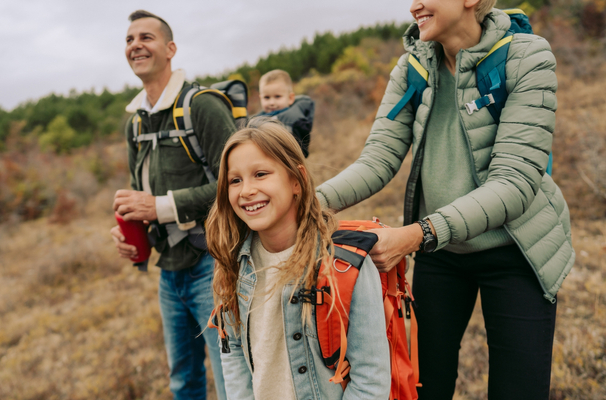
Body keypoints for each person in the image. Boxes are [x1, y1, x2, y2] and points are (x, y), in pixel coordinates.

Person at [315, 1, 575, 399]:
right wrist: (306, 206)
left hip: (517, 250)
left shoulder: (528, 55)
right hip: (442, 252)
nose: (413, 5)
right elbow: (378, 159)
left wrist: (417, 234)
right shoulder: (412, 68)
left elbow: (514, 181)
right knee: (422, 386)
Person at [205, 119, 391, 400]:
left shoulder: (344, 263)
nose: (246, 191)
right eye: (235, 180)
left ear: (297, 180)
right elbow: (234, 360)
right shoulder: (232, 263)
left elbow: (370, 380)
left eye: (260, 174)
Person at [110, 10, 234, 400]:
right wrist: (131, 232)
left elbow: (235, 185)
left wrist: (159, 207)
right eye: (130, 40)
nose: (135, 45)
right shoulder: (134, 122)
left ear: (170, 48)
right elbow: (139, 193)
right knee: (183, 380)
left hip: (213, 265)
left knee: (232, 375)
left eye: (146, 37)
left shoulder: (203, 105)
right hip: (170, 273)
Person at [256, 69, 314, 157]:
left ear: (290, 98)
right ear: (260, 98)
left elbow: (302, 152)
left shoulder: (295, 120)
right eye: (266, 97)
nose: (272, 103)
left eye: (277, 96)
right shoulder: (255, 121)